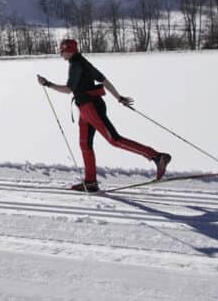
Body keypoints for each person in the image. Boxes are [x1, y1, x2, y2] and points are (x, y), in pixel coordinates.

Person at [37, 37, 170, 192]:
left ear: (69, 50)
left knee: (114, 139)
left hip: (91, 108)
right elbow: (104, 80)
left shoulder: (76, 65)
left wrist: (47, 84)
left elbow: (68, 90)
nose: (61, 54)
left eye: (62, 51)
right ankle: (90, 182)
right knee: (85, 144)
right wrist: (119, 97)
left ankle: (157, 156)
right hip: (85, 109)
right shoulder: (83, 62)